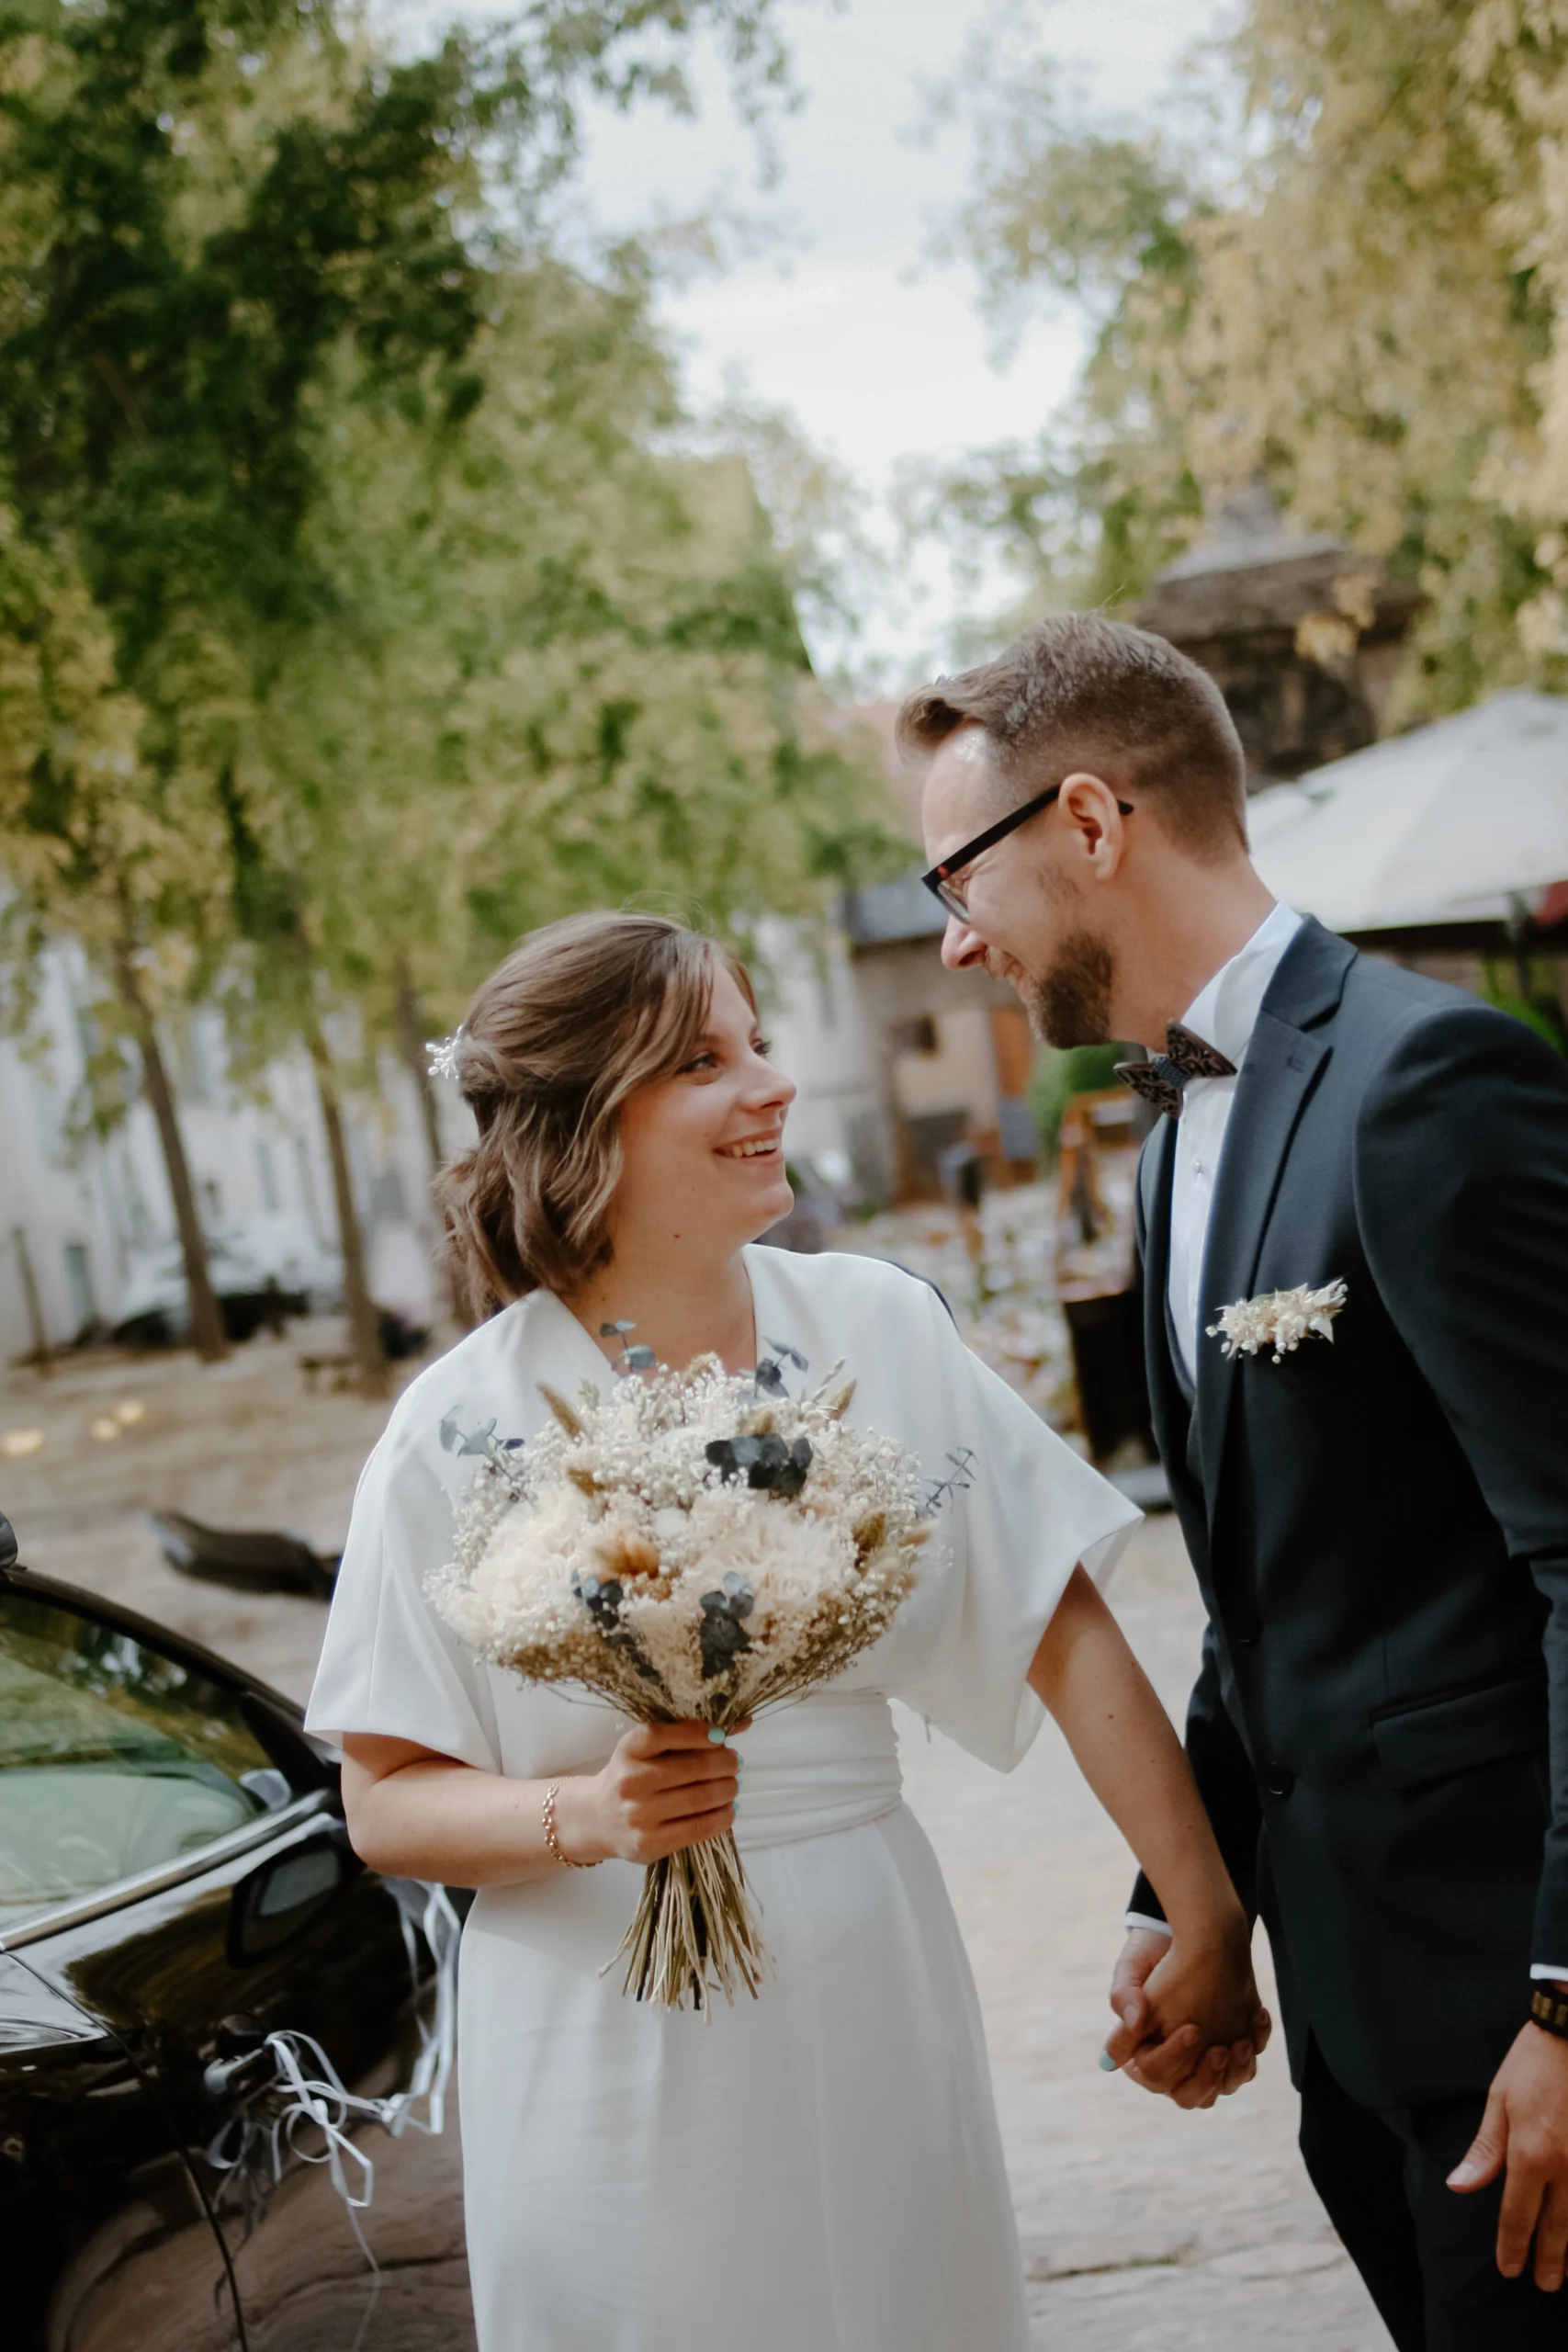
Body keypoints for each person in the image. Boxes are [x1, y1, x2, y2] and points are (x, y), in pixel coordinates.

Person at [305, 909, 1262, 2352]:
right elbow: (383, 1803)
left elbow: (1056, 1628)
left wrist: (1204, 1913)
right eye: (704, 1061)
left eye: (756, 1043)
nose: (774, 1084)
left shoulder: (878, 1328)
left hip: (864, 1966)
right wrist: (590, 1814)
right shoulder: (454, 1427)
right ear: (582, 1121)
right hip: (597, 2014)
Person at [902, 613, 1568, 2349]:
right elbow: (1270, 1595)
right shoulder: (1166, 1137)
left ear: (1090, 822)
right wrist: (1185, 1897)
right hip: (1355, 2034)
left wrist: (1565, 2005)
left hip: (1516, 2024)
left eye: (956, 879)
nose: (955, 940)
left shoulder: (1424, 1084)